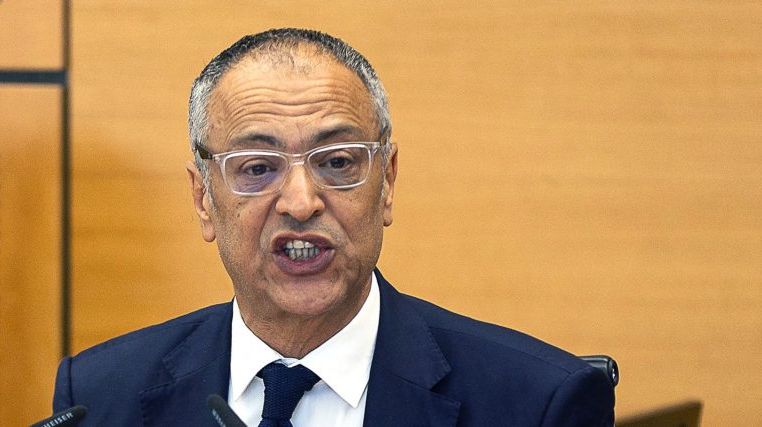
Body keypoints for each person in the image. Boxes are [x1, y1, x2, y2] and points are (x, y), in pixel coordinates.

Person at [51, 28, 615, 426]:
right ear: (203, 199)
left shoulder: (536, 403)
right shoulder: (98, 398)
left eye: (337, 162)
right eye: (257, 168)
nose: (300, 203)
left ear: (387, 181)